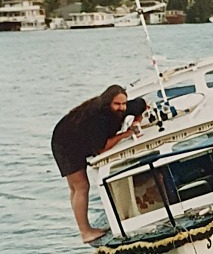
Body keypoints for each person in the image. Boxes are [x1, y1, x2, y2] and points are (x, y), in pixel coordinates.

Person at [51, 86, 146, 243]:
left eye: (124, 104)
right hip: (65, 143)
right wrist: (125, 134)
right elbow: (102, 148)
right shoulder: (98, 118)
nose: (121, 108)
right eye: (117, 104)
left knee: (77, 188)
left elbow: (142, 103)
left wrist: (138, 118)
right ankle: (85, 232)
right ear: (108, 103)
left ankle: (86, 229)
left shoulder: (125, 107)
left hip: (75, 136)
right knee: (80, 186)